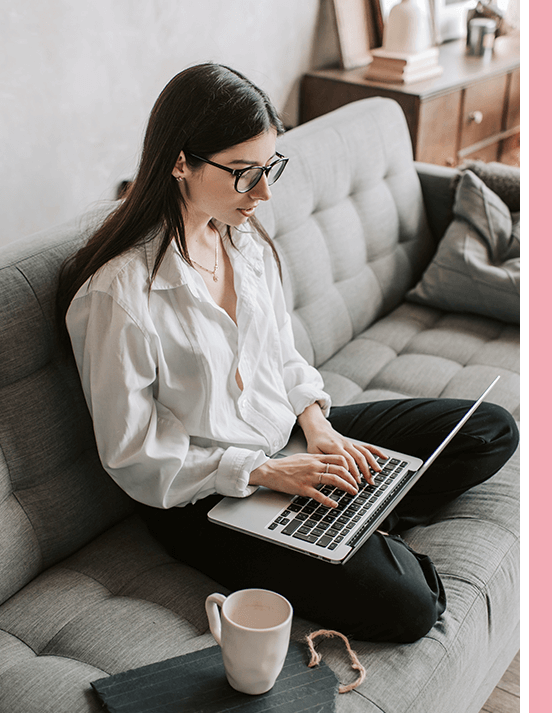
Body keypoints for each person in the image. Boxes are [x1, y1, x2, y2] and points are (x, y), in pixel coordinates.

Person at [58, 63, 519, 643]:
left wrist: (318, 425)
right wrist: (267, 472)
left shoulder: (240, 238)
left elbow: (281, 353)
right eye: (246, 173)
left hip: (288, 439)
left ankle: (352, 515)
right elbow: (134, 456)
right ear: (181, 162)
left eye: (269, 167)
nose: (265, 192)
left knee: (491, 430)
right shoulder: (118, 295)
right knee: (412, 609)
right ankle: (355, 523)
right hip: (207, 495)